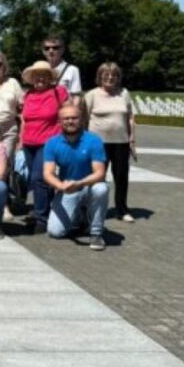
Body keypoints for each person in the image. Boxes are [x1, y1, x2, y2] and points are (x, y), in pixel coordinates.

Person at [43, 104, 109, 250]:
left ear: (82, 120)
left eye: (74, 117)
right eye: (66, 118)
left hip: (89, 185)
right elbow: (48, 173)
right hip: (68, 189)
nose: (70, 121)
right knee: (55, 232)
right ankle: (82, 216)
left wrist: (79, 183)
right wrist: (61, 186)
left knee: (101, 189)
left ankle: (96, 233)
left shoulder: (94, 140)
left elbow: (100, 173)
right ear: (60, 121)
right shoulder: (52, 143)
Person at [20, 60, 70, 234]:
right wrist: (20, 141)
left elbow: (68, 115)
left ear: (50, 77)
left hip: (49, 142)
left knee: (38, 178)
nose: (40, 78)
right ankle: (46, 211)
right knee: (40, 180)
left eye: (44, 75)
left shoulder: (59, 92)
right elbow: (24, 120)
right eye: (36, 75)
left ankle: (41, 218)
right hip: (28, 142)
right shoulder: (28, 95)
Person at [84, 62, 136, 223]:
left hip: (120, 142)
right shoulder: (92, 94)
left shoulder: (124, 93)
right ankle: (91, 209)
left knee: (121, 176)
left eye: (114, 75)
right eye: (106, 75)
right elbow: (84, 118)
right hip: (98, 143)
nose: (110, 77)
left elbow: (131, 118)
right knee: (97, 177)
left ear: (118, 78)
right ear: (100, 77)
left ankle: (122, 209)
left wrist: (132, 139)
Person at [43, 35, 82, 102]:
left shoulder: (72, 70)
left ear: (62, 50)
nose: (51, 50)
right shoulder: (39, 70)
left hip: (64, 109)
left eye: (55, 48)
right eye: (47, 48)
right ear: (43, 51)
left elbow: (76, 96)